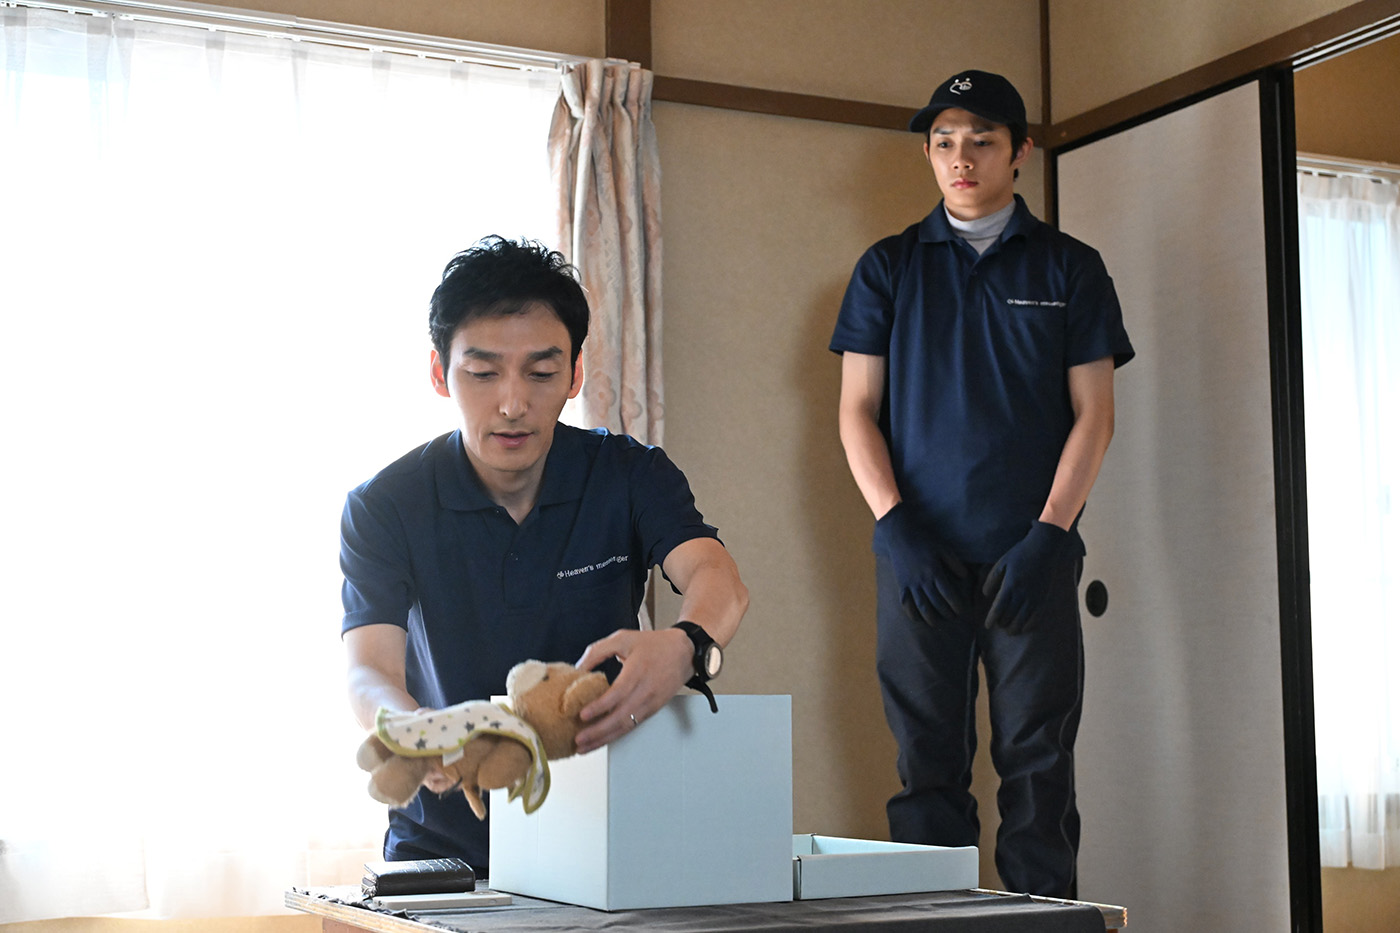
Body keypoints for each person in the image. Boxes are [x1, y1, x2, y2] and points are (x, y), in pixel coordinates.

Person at [341, 236, 748, 873]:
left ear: (575, 373)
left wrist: (687, 643)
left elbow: (715, 575)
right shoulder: (386, 504)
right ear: (439, 374)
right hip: (444, 846)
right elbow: (369, 670)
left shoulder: (629, 474)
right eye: (482, 373)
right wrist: (413, 730)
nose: (512, 404)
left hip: (609, 836)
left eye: (540, 372)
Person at [829, 70, 1134, 898]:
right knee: (927, 767)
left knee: (1039, 769)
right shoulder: (889, 267)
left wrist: (1051, 534)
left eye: (982, 141)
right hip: (918, 556)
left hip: (1030, 554)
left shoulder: (1071, 267)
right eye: (944, 143)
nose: (960, 159)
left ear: (1020, 151)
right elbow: (856, 410)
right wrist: (894, 525)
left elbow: (1095, 415)